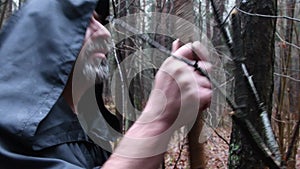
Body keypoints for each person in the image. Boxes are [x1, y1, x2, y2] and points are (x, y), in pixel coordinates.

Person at [0, 0, 212, 168]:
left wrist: (174, 108)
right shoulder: (9, 132)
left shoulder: (87, 128)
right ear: (47, 36)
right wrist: (159, 117)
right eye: (87, 22)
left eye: (100, 21)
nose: (104, 32)